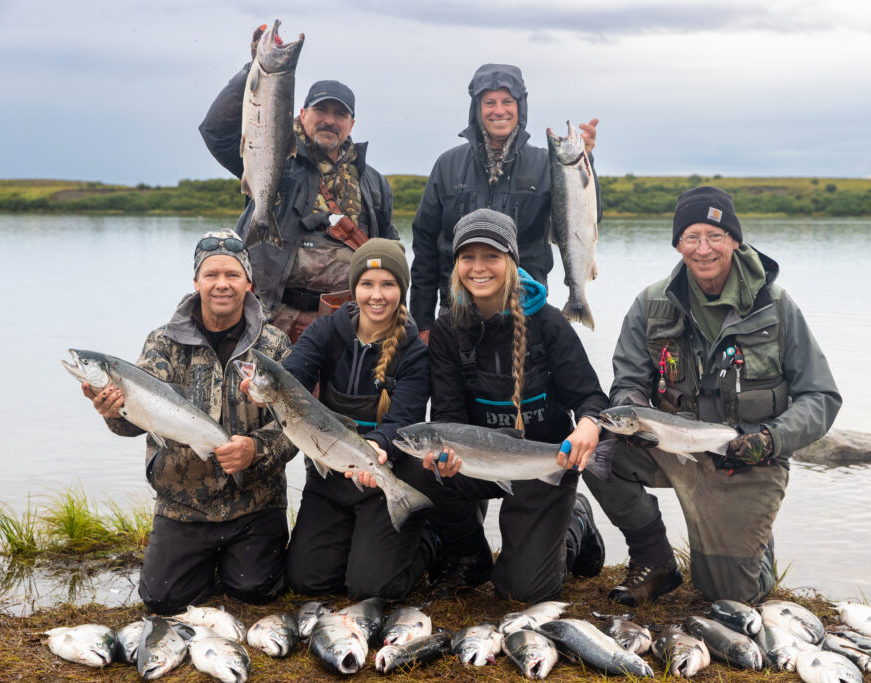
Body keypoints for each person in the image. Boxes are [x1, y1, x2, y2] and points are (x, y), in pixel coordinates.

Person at [584, 186, 842, 606]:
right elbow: (627, 381)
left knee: (727, 596)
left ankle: (753, 541)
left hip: (746, 458)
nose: (703, 249)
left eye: (715, 236)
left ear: (734, 240)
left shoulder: (775, 307)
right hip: (669, 446)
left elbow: (822, 397)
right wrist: (635, 417)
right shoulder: (650, 305)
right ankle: (654, 560)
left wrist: (770, 440)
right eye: (691, 237)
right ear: (677, 244)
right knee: (595, 452)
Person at [80, 230, 296, 615]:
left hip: (255, 504)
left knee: (256, 591)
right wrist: (114, 412)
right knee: (162, 600)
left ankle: (234, 563)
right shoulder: (162, 342)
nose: (221, 284)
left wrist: (255, 450)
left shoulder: (275, 345)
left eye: (232, 275)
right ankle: (199, 559)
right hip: (182, 505)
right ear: (196, 282)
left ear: (249, 282)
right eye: (211, 275)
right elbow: (137, 423)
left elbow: (295, 428)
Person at [421, 209, 607, 602]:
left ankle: (575, 521)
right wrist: (446, 459)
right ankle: (469, 555)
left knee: (523, 591)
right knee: (414, 466)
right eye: (467, 257)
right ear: (456, 264)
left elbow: (590, 397)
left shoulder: (549, 323)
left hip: (544, 463)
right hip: (479, 461)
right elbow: (449, 416)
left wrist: (589, 425)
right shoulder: (446, 329)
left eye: (492, 256)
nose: (479, 267)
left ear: (512, 261)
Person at [242, 238, 435, 599]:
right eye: (367, 284)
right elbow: (292, 378)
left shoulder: (414, 351)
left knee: (372, 589)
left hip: (380, 472)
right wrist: (262, 388)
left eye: (388, 284)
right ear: (354, 287)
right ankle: (358, 540)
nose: (376, 295)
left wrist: (377, 446)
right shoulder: (326, 330)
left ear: (402, 290)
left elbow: (404, 419)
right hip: (329, 475)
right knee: (307, 581)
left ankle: (423, 540)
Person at [200, 25, 397, 342]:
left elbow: (388, 247)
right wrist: (252, 71)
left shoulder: (374, 183)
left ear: (352, 123)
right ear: (303, 113)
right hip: (274, 315)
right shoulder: (273, 154)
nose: (329, 120)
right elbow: (216, 133)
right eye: (321, 110)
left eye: (339, 113)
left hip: (347, 321)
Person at [409, 63, 600, 341]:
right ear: (477, 108)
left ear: (520, 107)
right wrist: (423, 322)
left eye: (507, 101)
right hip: (456, 315)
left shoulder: (548, 163)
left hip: (527, 310)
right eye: (490, 102)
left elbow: (587, 221)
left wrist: (585, 162)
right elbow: (424, 247)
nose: (499, 110)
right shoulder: (447, 165)